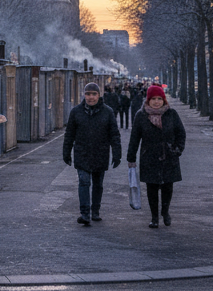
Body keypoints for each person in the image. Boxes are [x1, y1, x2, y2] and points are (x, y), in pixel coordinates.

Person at [127, 84, 186, 228]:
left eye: (159, 98)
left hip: (169, 157)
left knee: (167, 187)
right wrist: (131, 157)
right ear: (148, 100)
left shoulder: (171, 114)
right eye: (153, 98)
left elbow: (181, 133)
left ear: (164, 100)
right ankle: (154, 217)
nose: (156, 101)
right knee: (151, 189)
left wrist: (177, 150)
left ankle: (165, 212)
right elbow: (135, 138)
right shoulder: (141, 116)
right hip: (149, 157)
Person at [62, 82, 121, 225]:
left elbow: (114, 134)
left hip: (100, 153)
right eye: (88, 94)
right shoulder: (76, 112)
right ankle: (85, 213)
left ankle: (95, 211)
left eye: (94, 94)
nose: (91, 97)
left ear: (99, 95)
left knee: (98, 184)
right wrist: (66, 152)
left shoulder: (107, 112)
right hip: (82, 153)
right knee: (84, 182)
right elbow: (69, 134)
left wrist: (117, 153)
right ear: (84, 95)